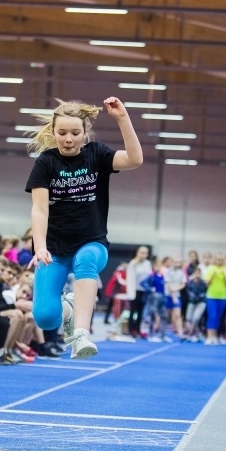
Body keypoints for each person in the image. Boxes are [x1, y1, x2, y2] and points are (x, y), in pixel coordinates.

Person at [25, 97, 143, 359]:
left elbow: (135, 159)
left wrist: (122, 118)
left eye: (75, 133)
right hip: (54, 249)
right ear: (53, 132)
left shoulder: (97, 154)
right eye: (62, 133)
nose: (68, 139)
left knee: (86, 260)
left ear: (85, 133)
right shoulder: (46, 162)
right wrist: (40, 247)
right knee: (45, 318)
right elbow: (39, 210)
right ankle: (68, 306)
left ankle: (80, 334)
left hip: (91, 242)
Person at [126, 246, 152, 338]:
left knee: (141, 312)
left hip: (144, 291)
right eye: (142, 252)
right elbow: (130, 279)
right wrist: (130, 293)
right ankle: (131, 330)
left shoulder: (148, 263)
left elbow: (149, 276)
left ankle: (138, 329)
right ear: (138, 253)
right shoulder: (133, 263)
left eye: (145, 253)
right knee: (133, 311)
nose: (144, 255)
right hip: (135, 290)